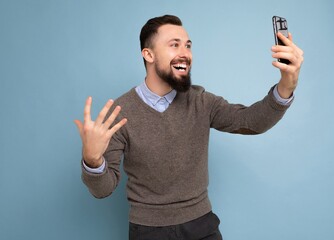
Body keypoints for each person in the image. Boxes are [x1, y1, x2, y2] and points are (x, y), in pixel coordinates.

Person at [74, 15, 303, 240]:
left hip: (202, 226)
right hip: (148, 231)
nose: (185, 53)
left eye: (188, 45)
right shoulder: (120, 113)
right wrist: (93, 162)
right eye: (174, 45)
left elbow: (251, 121)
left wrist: (286, 85)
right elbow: (103, 189)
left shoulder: (201, 101)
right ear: (148, 54)